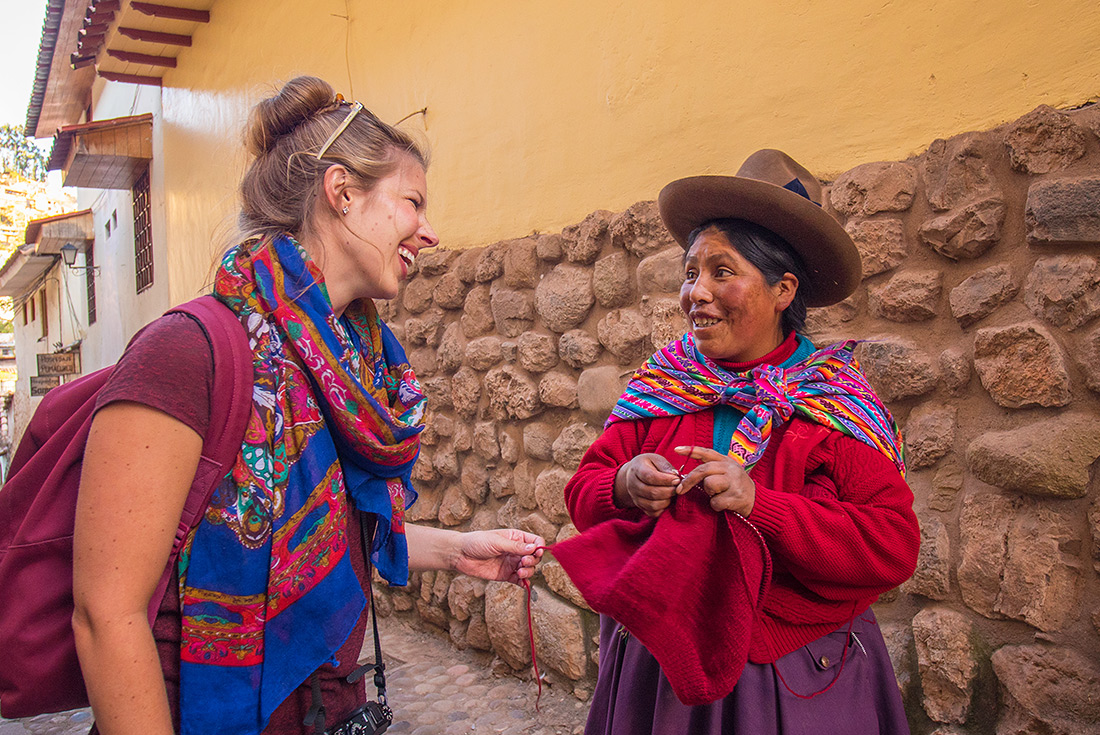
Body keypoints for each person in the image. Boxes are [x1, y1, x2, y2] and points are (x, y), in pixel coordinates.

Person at [70, 76, 544, 735]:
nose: (430, 232)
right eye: (412, 202)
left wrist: (461, 551)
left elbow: (336, 530)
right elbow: (105, 612)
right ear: (343, 193)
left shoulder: (351, 368)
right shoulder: (187, 352)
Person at [557, 150, 920, 734]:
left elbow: (892, 545)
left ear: (782, 290)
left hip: (793, 682)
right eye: (691, 272)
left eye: (721, 272)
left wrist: (760, 505)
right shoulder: (664, 387)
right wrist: (624, 486)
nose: (695, 292)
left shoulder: (834, 405)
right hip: (663, 675)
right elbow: (584, 492)